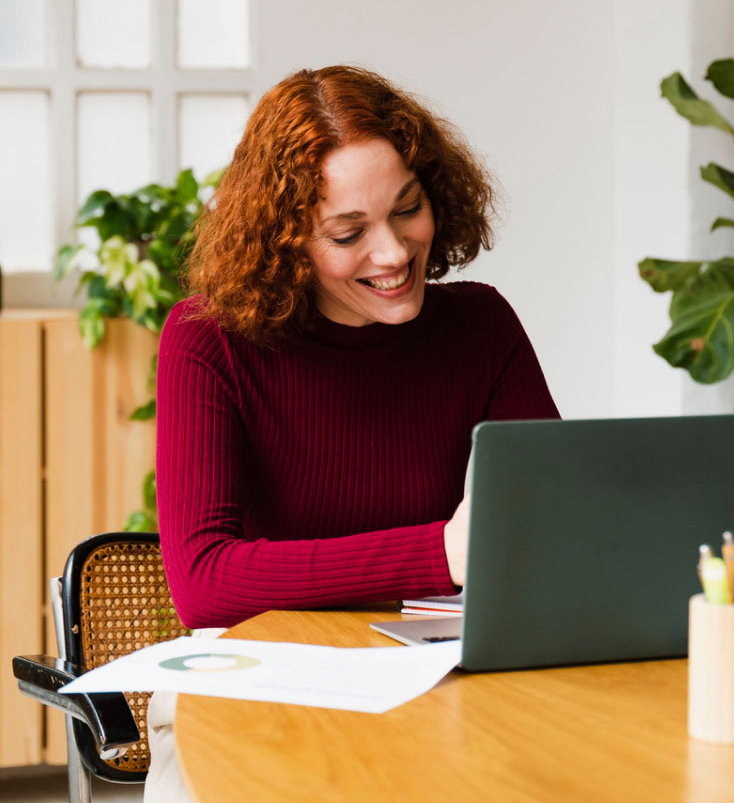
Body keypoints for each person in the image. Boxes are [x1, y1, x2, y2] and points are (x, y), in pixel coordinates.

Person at [145, 65, 559, 801]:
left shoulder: (481, 324)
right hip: (268, 679)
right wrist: (439, 550)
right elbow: (205, 582)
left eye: (408, 209)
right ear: (285, 240)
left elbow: (551, 529)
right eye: (348, 233)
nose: (395, 253)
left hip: (442, 677)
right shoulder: (209, 342)